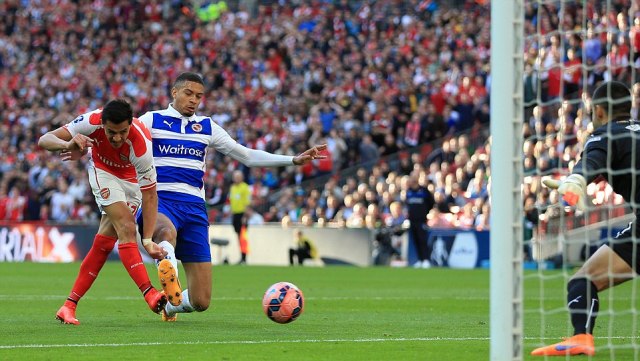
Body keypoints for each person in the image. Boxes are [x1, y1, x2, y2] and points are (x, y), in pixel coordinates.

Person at [134, 72, 326, 321]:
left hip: (194, 207)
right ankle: (167, 262)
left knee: (201, 301)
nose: (194, 100)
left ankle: (170, 305)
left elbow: (245, 155)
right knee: (165, 233)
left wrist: (292, 159)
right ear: (175, 92)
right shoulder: (151, 120)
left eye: (199, 96)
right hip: (160, 199)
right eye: (189, 93)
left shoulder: (206, 126)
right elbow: (122, 138)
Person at [531, 81, 638, 356]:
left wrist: (576, 181)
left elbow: (589, 166)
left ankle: (582, 336)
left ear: (599, 111)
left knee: (583, 280)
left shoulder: (604, 135)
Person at [39, 99, 168, 325]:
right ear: (102, 124)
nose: (117, 138)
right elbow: (44, 139)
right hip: (104, 173)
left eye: (122, 132)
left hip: (132, 183)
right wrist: (68, 144)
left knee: (104, 244)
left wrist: (147, 239)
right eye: (111, 132)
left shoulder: (141, 146)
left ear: (130, 124)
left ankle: (68, 305)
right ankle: (149, 292)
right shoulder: (90, 121)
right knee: (127, 227)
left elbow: (150, 195)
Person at [404, 173, 435, 268]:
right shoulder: (408, 191)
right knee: (415, 241)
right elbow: (407, 205)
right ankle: (420, 260)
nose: (413, 180)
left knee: (423, 240)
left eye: (414, 178)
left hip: (421, 220)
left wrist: (424, 213)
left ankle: (426, 260)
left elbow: (431, 203)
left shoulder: (424, 191)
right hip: (412, 221)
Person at [229, 170, 251, 264]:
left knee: (243, 236)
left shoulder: (245, 187)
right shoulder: (233, 187)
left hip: (242, 214)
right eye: (235, 177)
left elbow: (247, 202)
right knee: (238, 236)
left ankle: (244, 257)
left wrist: (245, 216)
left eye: (238, 177)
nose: (236, 179)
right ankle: (242, 256)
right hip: (235, 214)